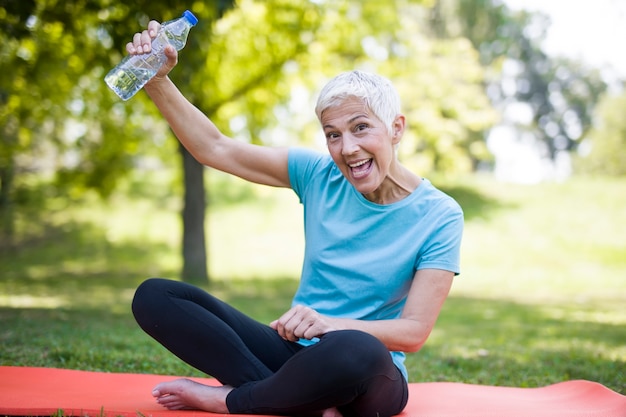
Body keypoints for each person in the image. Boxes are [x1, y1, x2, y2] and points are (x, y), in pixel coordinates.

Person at [128, 18, 463, 417]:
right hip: (291, 354)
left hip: (368, 374)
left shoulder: (440, 214)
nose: (348, 148)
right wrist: (155, 79)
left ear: (396, 129)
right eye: (333, 134)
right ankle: (300, 399)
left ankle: (230, 400)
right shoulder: (318, 174)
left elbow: (413, 333)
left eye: (360, 128)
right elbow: (215, 148)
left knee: (355, 348)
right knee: (156, 296)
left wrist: (328, 323)